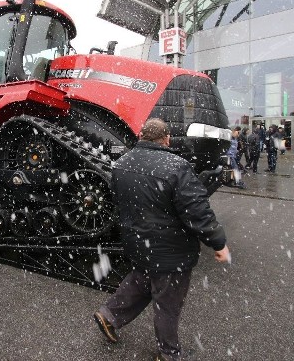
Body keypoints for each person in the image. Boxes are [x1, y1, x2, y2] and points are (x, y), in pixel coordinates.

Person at [93, 118, 230, 361]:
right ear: (166, 138)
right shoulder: (177, 166)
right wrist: (218, 242)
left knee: (141, 281)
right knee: (168, 303)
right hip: (171, 249)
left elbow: (119, 201)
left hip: (137, 242)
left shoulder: (121, 164)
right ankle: (168, 354)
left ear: (141, 135)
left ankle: (109, 315)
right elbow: (197, 212)